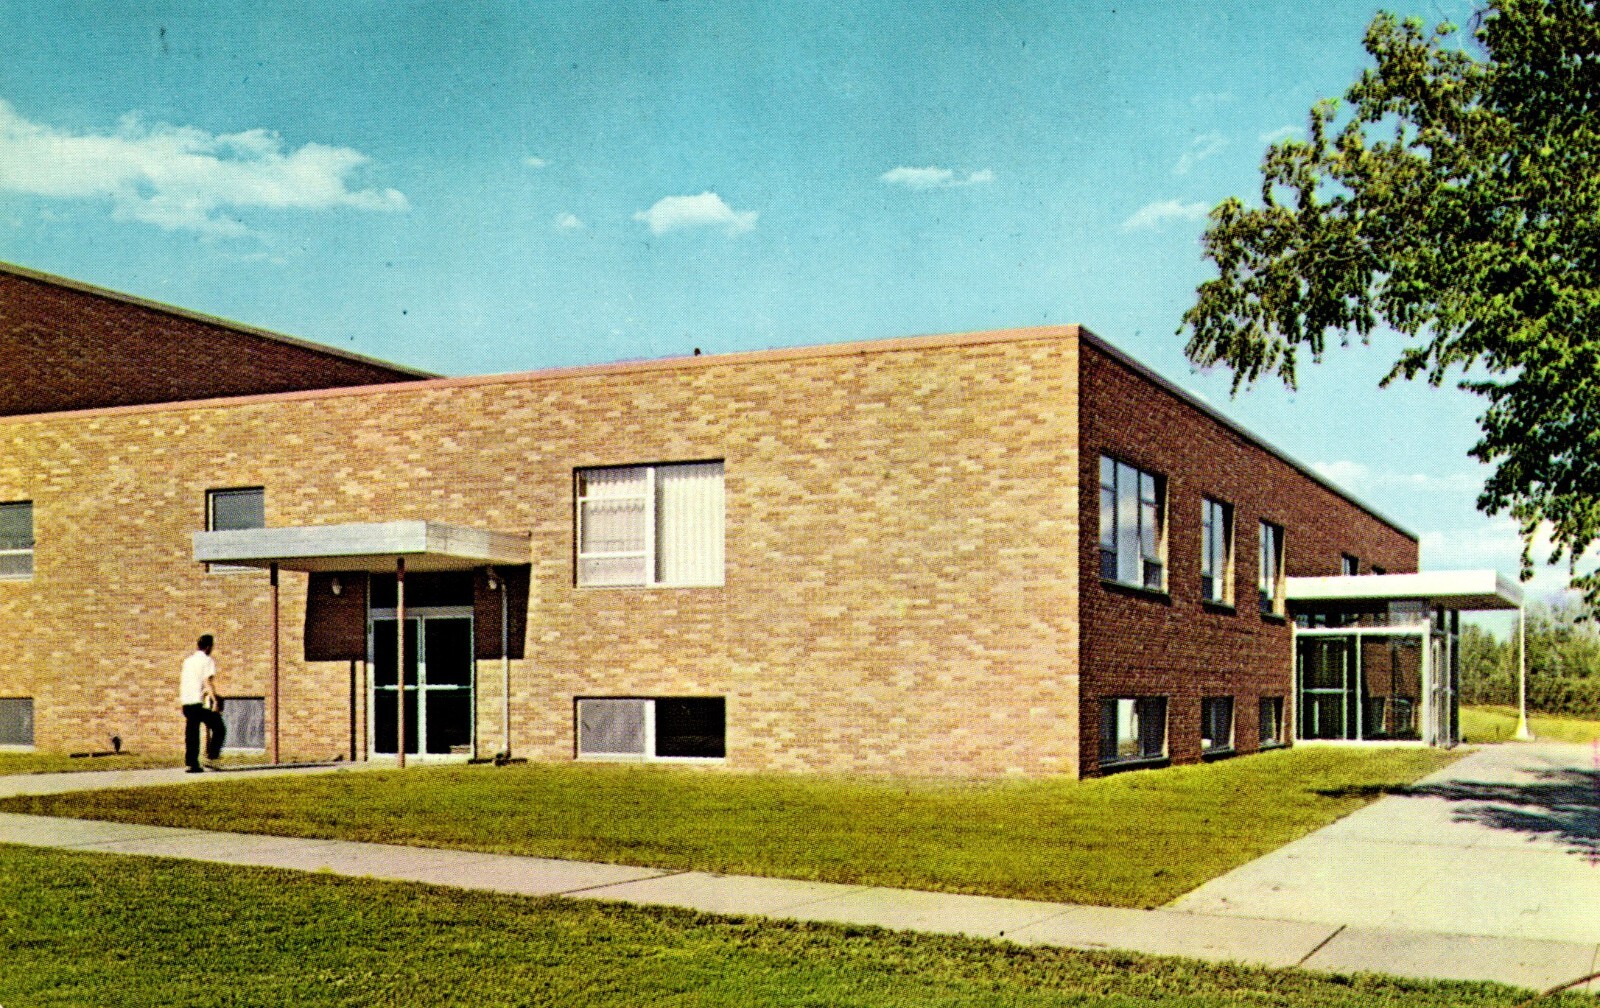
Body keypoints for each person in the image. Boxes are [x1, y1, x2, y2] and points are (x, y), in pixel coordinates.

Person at [180, 634, 225, 772]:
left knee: (191, 732)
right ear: (208, 647)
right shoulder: (207, 660)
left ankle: (192, 763)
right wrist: (215, 700)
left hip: (187, 701)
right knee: (219, 728)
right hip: (199, 702)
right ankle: (211, 757)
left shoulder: (187, 661)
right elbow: (207, 681)